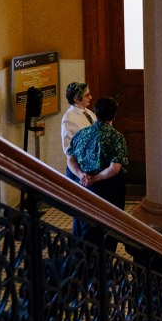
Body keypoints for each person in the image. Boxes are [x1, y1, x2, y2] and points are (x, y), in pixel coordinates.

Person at [66, 97, 127, 248]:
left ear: (95, 113)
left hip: (82, 187)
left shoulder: (81, 134)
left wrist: (82, 175)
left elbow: (70, 160)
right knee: (108, 228)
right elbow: (114, 168)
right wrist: (95, 178)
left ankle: (82, 264)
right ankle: (103, 265)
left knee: (83, 225)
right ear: (114, 115)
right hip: (107, 191)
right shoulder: (116, 138)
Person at [60, 81, 97, 238]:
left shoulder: (89, 113)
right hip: (79, 170)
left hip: (90, 166)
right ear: (76, 98)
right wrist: (81, 173)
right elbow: (69, 152)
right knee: (81, 213)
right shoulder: (69, 119)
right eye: (87, 94)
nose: (90, 97)